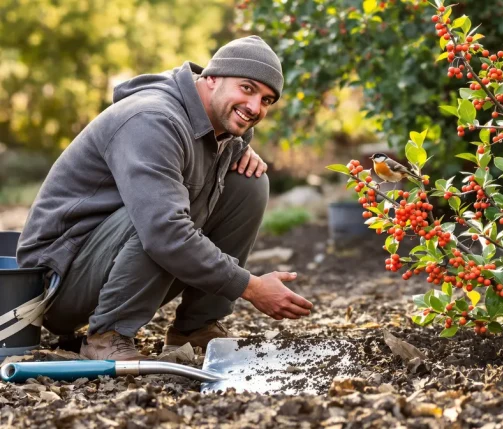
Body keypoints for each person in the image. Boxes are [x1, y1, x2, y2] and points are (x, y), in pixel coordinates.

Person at [16, 36, 313, 360]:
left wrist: (239, 149)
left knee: (250, 184)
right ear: (211, 78)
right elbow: (164, 231)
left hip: (108, 263)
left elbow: (208, 156)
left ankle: (195, 327)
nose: (255, 108)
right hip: (55, 284)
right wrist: (251, 287)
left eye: (267, 100)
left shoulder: (226, 126)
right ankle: (107, 336)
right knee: (159, 217)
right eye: (247, 89)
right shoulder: (152, 120)